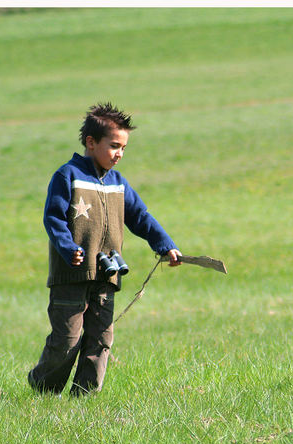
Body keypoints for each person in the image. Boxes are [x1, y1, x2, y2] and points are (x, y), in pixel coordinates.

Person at [28, 102, 181, 396]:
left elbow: (140, 217)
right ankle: (43, 386)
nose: (119, 153)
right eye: (113, 146)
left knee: (100, 341)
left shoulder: (118, 183)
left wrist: (165, 245)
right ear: (91, 142)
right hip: (71, 275)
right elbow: (53, 218)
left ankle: (84, 398)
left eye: (123, 148)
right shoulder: (68, 176)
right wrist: (67, 246)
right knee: (67, 340)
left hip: (106, 276)